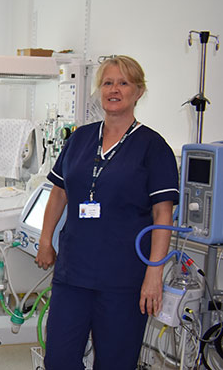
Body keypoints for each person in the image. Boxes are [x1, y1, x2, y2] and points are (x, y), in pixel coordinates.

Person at [35, 56, 179, 369]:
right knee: (58, 359)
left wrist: (154, 273)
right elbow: (59, 191)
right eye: (108, 83)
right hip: (73, 273)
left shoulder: (153, 147)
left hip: (123, 279)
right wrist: (46, 240)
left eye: (123, 83)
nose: (114, 90)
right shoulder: (80, 139)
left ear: (139, 91)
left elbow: (163, 215)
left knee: (115, 362)